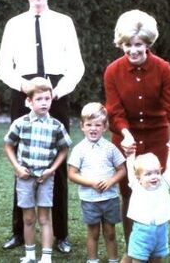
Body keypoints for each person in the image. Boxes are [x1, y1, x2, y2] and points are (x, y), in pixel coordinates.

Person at [0, 0, 84, 253]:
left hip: (56, 93)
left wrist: (55, 92)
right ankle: (19, 232)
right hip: (23, 91)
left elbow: (76, 66)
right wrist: (24, 87)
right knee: (23, 161)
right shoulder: (14, 24)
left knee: (55, 161)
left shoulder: (64, 22)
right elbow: (1, 66)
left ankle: (61, 234)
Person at [103, 9, 170, 260]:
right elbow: (115, 112)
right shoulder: (112, 71)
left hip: (156, 139)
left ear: (148, 43)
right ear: (121, 44)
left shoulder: (163, 69)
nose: (133, 50)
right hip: (126, 140)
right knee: (128, 195)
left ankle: (154, 248)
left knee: (155, 189)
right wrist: (126, 134)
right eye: (127, 45)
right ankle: (134, 250)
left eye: (138, 44)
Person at [3, 77, 73, 263]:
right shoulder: (20, 123)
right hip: (25, 177)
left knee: (44, 217)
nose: (44, 103)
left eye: (47, 99)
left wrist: (52, 170)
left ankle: (46, 257)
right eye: (39, 99)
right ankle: (30, 254)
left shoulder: (56, 126)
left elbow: (64, 148)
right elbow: (8, 145)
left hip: (45, 177)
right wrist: (17, 168)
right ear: (29, 101)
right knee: (28, 218)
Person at [67, 102, 126, 263]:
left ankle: (113, 260)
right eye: (89, 125)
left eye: (98, 125)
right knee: (93, 233)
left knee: (110, 232)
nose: (93, 128)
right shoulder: (79, 149)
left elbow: (122, 170)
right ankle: (92, 260)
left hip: (110, 198)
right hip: (90, 200)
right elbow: (71, 174)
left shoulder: (111, 148)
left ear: (105, 126)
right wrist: (91, 183)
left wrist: (111, 181)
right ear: (82, 126)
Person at [125, 151, 170, 262]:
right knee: (138, 258)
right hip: (142, 232)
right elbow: (130, 169)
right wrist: (130, 155)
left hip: (161, 231)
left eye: (157, 172)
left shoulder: (164, 184)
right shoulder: (136, 186)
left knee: (157, 258)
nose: (154, 177)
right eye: (148, 174)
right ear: (138, 177)